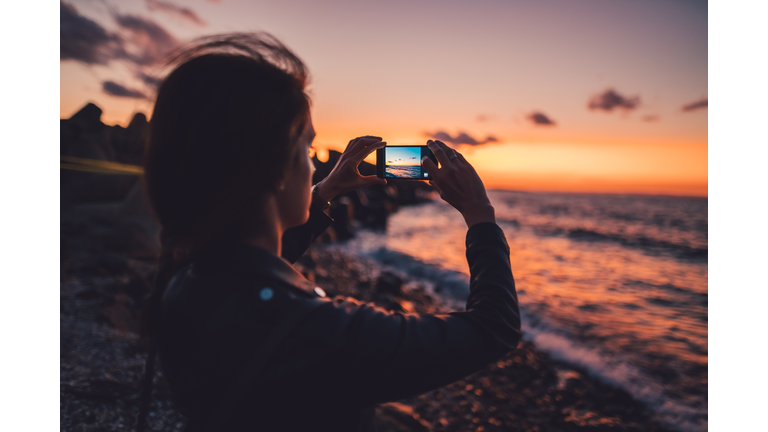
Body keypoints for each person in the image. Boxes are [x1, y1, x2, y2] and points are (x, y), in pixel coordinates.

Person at [141, 33, 521, 432]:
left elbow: (249, 260)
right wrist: (481, 218)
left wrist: (325, 192)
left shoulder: (191, 275)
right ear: (275, 171)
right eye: (308, 151)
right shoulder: (316, 331)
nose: (314, 164)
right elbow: (493, 329)